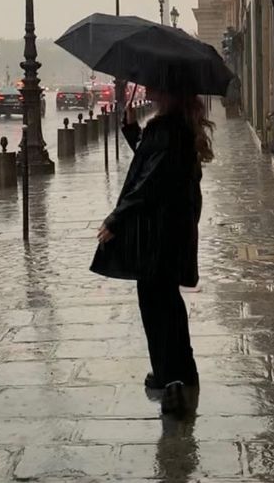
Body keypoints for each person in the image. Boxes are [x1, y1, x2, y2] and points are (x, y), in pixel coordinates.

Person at [91, 85, 213, 416]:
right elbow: (152, 162)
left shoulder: (167, 129)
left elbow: (150, 181)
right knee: (167, 300)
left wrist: (116, 219)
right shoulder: (178, 127)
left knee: (155, 303)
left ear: (168, 93)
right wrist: (132, 130)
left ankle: (168, 377)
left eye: (157, 87)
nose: (152, 91)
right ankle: (183, 370)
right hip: (175, 230)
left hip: (158, 232)